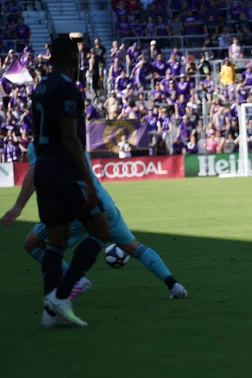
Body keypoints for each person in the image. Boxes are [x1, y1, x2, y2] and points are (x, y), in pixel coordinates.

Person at [1, 140, 188, 328]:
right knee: (134, 247)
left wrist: (18, 206)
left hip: (72, 208)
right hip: (103, 202)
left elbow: (35, 174)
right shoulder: (75, 138)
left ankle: (73, 283)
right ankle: (174, 285)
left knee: (33, 244)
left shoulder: (40, 144)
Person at [28, 37, 111, 327]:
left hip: (44, 168)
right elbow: (70, 138)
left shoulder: (39, 87)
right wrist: (88, 182)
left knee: (56, 242)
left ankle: (50, 314)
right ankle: (61, 296)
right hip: (65, 170)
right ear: (72, 61)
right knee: (100, 229)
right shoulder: (67, 89)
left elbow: (37, 134)